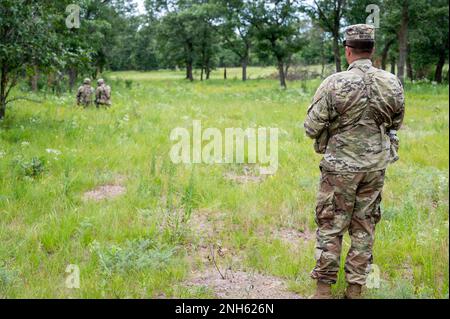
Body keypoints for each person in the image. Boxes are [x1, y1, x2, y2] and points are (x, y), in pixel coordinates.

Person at [304, 24, 405, 299]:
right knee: (364, 226)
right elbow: (396, 122)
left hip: (339, 168)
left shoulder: (333, 83)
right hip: (374, 167)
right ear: (371, 50)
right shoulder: (391, 82)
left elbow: (311, 127)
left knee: (331, 225)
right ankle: (355, 289)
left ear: (348, 51)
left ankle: (323, 290)